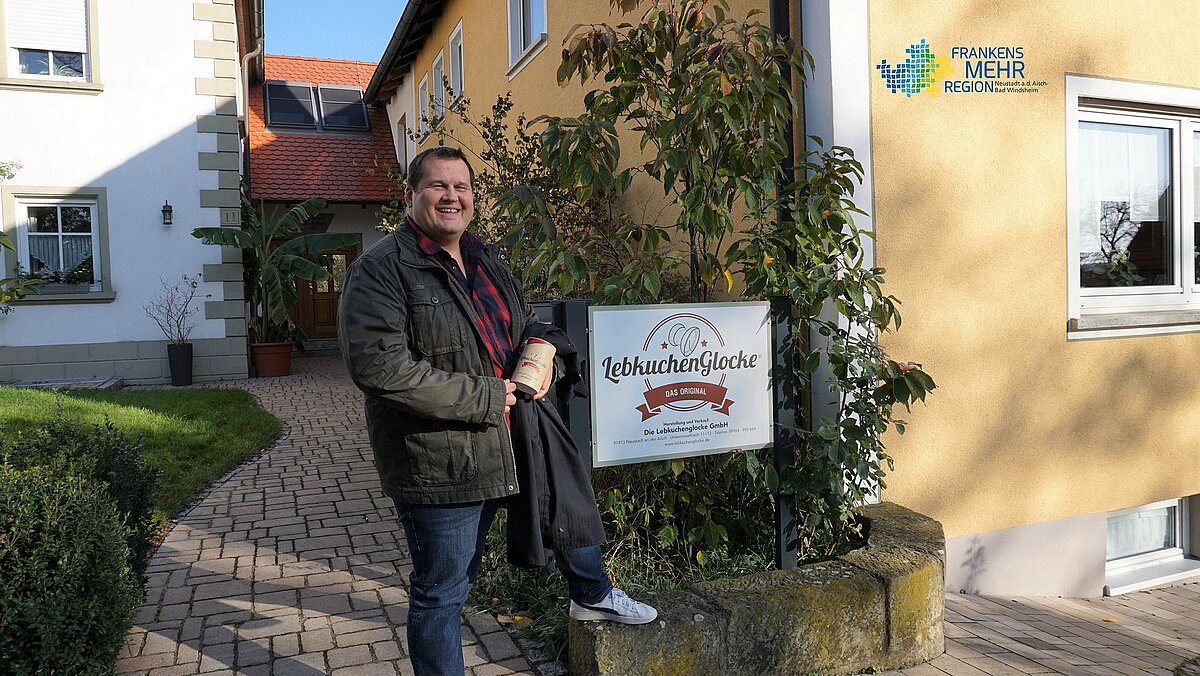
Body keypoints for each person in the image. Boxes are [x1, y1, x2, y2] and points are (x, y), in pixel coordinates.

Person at [339, 146, 656, 675]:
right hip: (440, 462)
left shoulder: (486, 260)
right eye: (438, 186)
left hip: (510, 437)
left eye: (461, 187)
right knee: (443, 592)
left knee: (565, 510)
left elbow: (525, 321)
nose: (451, 197)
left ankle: (592, 592)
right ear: (410, 195)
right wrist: (485, 396)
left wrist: (541, 351)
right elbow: (380, 369)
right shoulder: (380, 271)